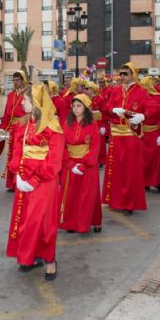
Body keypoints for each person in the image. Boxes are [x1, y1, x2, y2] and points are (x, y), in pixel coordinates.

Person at [6, 84, 64, 281]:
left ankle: (50, 260)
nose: (22, 102)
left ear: (37, 103)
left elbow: (54, 161)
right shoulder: (23, 123)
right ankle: (31, 255)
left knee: (42, 221)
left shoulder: (53, 126)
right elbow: (16, 150)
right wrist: (18, 174)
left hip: (43, 181)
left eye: (26, 100)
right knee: (24, 219)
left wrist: (35, 179)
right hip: (24, 178)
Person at [102, 63, 156, 215]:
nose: (123, 77)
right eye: (121, 74)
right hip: (116, 137)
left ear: (133, 74)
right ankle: (116, 200)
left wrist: (143, 116)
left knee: (130, 171)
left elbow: (154, 108)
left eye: (126, 73)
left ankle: (129, 203)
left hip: (131, 136)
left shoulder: (141, 91)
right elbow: (106, 108)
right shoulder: (116, 91)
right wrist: (112, 109)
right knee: (116, 170)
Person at [58, 94, 102, 233]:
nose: (75, 109)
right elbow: (61, 146)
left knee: (89, 195)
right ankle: (70, 223)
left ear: (85, 108)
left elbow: (95, 147)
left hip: (87, 166)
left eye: (79, 106)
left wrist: (84, 164)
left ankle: (93, 221)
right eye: (74, 106)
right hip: (70, 165)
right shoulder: (67, 123)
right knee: (71, 194)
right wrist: (70, 164)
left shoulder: (92, 124)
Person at [139, 76, 160, 194]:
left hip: (154, 133)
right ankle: (144, 182)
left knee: (156, 160)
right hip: (141, 133)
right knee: (142, 160)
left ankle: (157, 182)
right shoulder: (139, 97)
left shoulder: (159, 98)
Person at [0, 71, 28, 191]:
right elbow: (6, 113)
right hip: (12, 129)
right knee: (11, 155)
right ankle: (12, 183)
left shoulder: (27, 94)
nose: (16, 83)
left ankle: (21, 181)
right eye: (14, 80)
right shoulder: (10, 95)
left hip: (23, 127)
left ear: (23, 80)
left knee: (21, 155)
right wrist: (2, 128)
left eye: (18, 80)